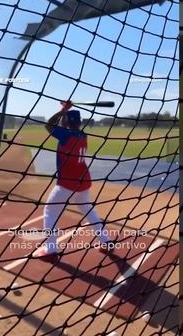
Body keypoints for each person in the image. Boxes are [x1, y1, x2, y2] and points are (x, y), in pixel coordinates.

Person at [33, 100, 114, 260]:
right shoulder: (83, 135)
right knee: (89, 211)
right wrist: (66, 113)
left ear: (66, 122)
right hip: (83, 182)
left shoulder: (66, 135)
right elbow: (57, 126)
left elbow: (49, 125)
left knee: (49, 211)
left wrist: (63, 110)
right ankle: (106, 241)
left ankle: (51, 249)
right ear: (80, 122)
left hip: (67, 184)